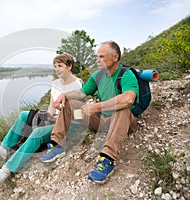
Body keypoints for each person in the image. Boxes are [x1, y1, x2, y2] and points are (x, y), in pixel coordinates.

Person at [41, 41, 138, 184]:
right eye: (97, 56)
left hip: (123, 122)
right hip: (101, 121)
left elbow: (128, 98)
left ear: (115, 57)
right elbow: (81, 92)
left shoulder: (126, 74)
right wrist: (65, 96)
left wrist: (97, 107)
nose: (97, 60)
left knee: (121, 109)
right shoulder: (98, 75)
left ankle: (107, 160)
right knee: (70, 102)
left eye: (102, 57)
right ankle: (58, 145)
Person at [0, 53, 83, 182]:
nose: (57, 69)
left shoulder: (77, 84)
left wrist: (53, 121)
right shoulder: (55, 83)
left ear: (69, 66)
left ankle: (7, 169)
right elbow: (51, 107)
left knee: (38, 133)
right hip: (54, 118)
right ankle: (4, 148)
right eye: (55, 66)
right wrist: (44, 118)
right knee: (24, 116)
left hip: (67, 124)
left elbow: (77, 111)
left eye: (60, 66)